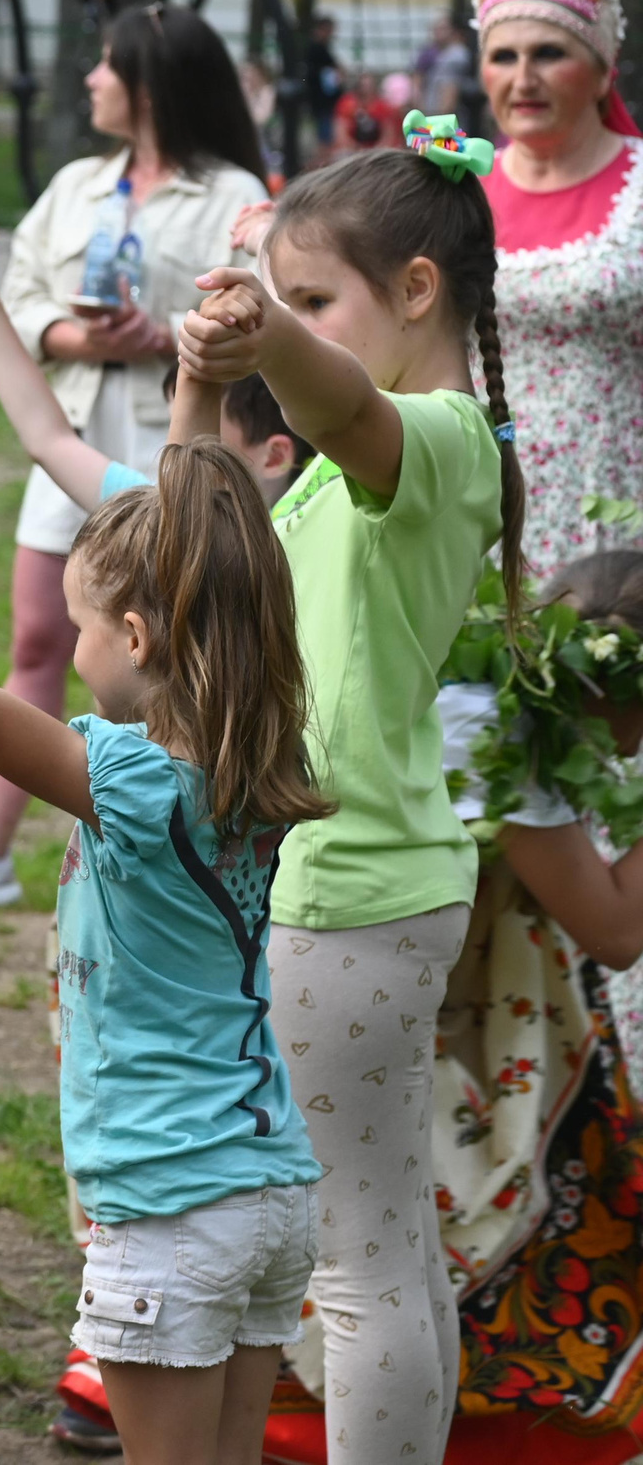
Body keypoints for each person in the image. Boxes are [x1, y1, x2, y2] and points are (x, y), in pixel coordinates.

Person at [0, 439, 330, 1465]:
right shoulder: (262, 756)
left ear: (134, 635)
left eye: (76, 629)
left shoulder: (132, 783)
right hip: (271, 1188)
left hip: (171, 1197)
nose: (69, 650)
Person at [177, 132, 522, 1465]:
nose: (299, 331)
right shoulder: (361, 456)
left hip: (350, 891)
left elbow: (327, 401)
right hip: (361, 883)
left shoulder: (424, 440)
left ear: (420, 290)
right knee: (389, 1245)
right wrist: (212, 377)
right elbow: (201, 525)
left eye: (322, 300)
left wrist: (264, 330)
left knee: (360, 1257)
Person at [255, 552, 643, 1465]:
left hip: (396, 978)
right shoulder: (500, 751)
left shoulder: (473, 690)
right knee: (422, 1235)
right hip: (418, 1011)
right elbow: (619, 928)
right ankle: (485, 1430)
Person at [0, 3, 269, 924]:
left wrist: (163, 341)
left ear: (151, 84)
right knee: (41, 637)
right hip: (70, 422)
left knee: (168, 651)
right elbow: (25, 291)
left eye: (106, 66)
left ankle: (164, 833)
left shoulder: (234, 195)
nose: (91, 81)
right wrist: (74, 334)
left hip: (166, 443)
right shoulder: (76, 183)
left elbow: (261, 320)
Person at [0, 201, 309, 513]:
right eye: (173, 422)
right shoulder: (156, 514)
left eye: (196, 425)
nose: (171, 444)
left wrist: (270, 246)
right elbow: (49, 439)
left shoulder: (326, 525)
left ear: (274, 457)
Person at [469, 0, 643, 575]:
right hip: (483, 517)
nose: (524, 78)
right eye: (503, 55)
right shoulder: (452, 199)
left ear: (602, 68)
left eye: (548, 52)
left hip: (618, 519)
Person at [307, 14, 346, 147]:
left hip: (325, 100)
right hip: (321, 100)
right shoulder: (315, 49)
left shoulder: (323, 48)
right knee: (324, 136)